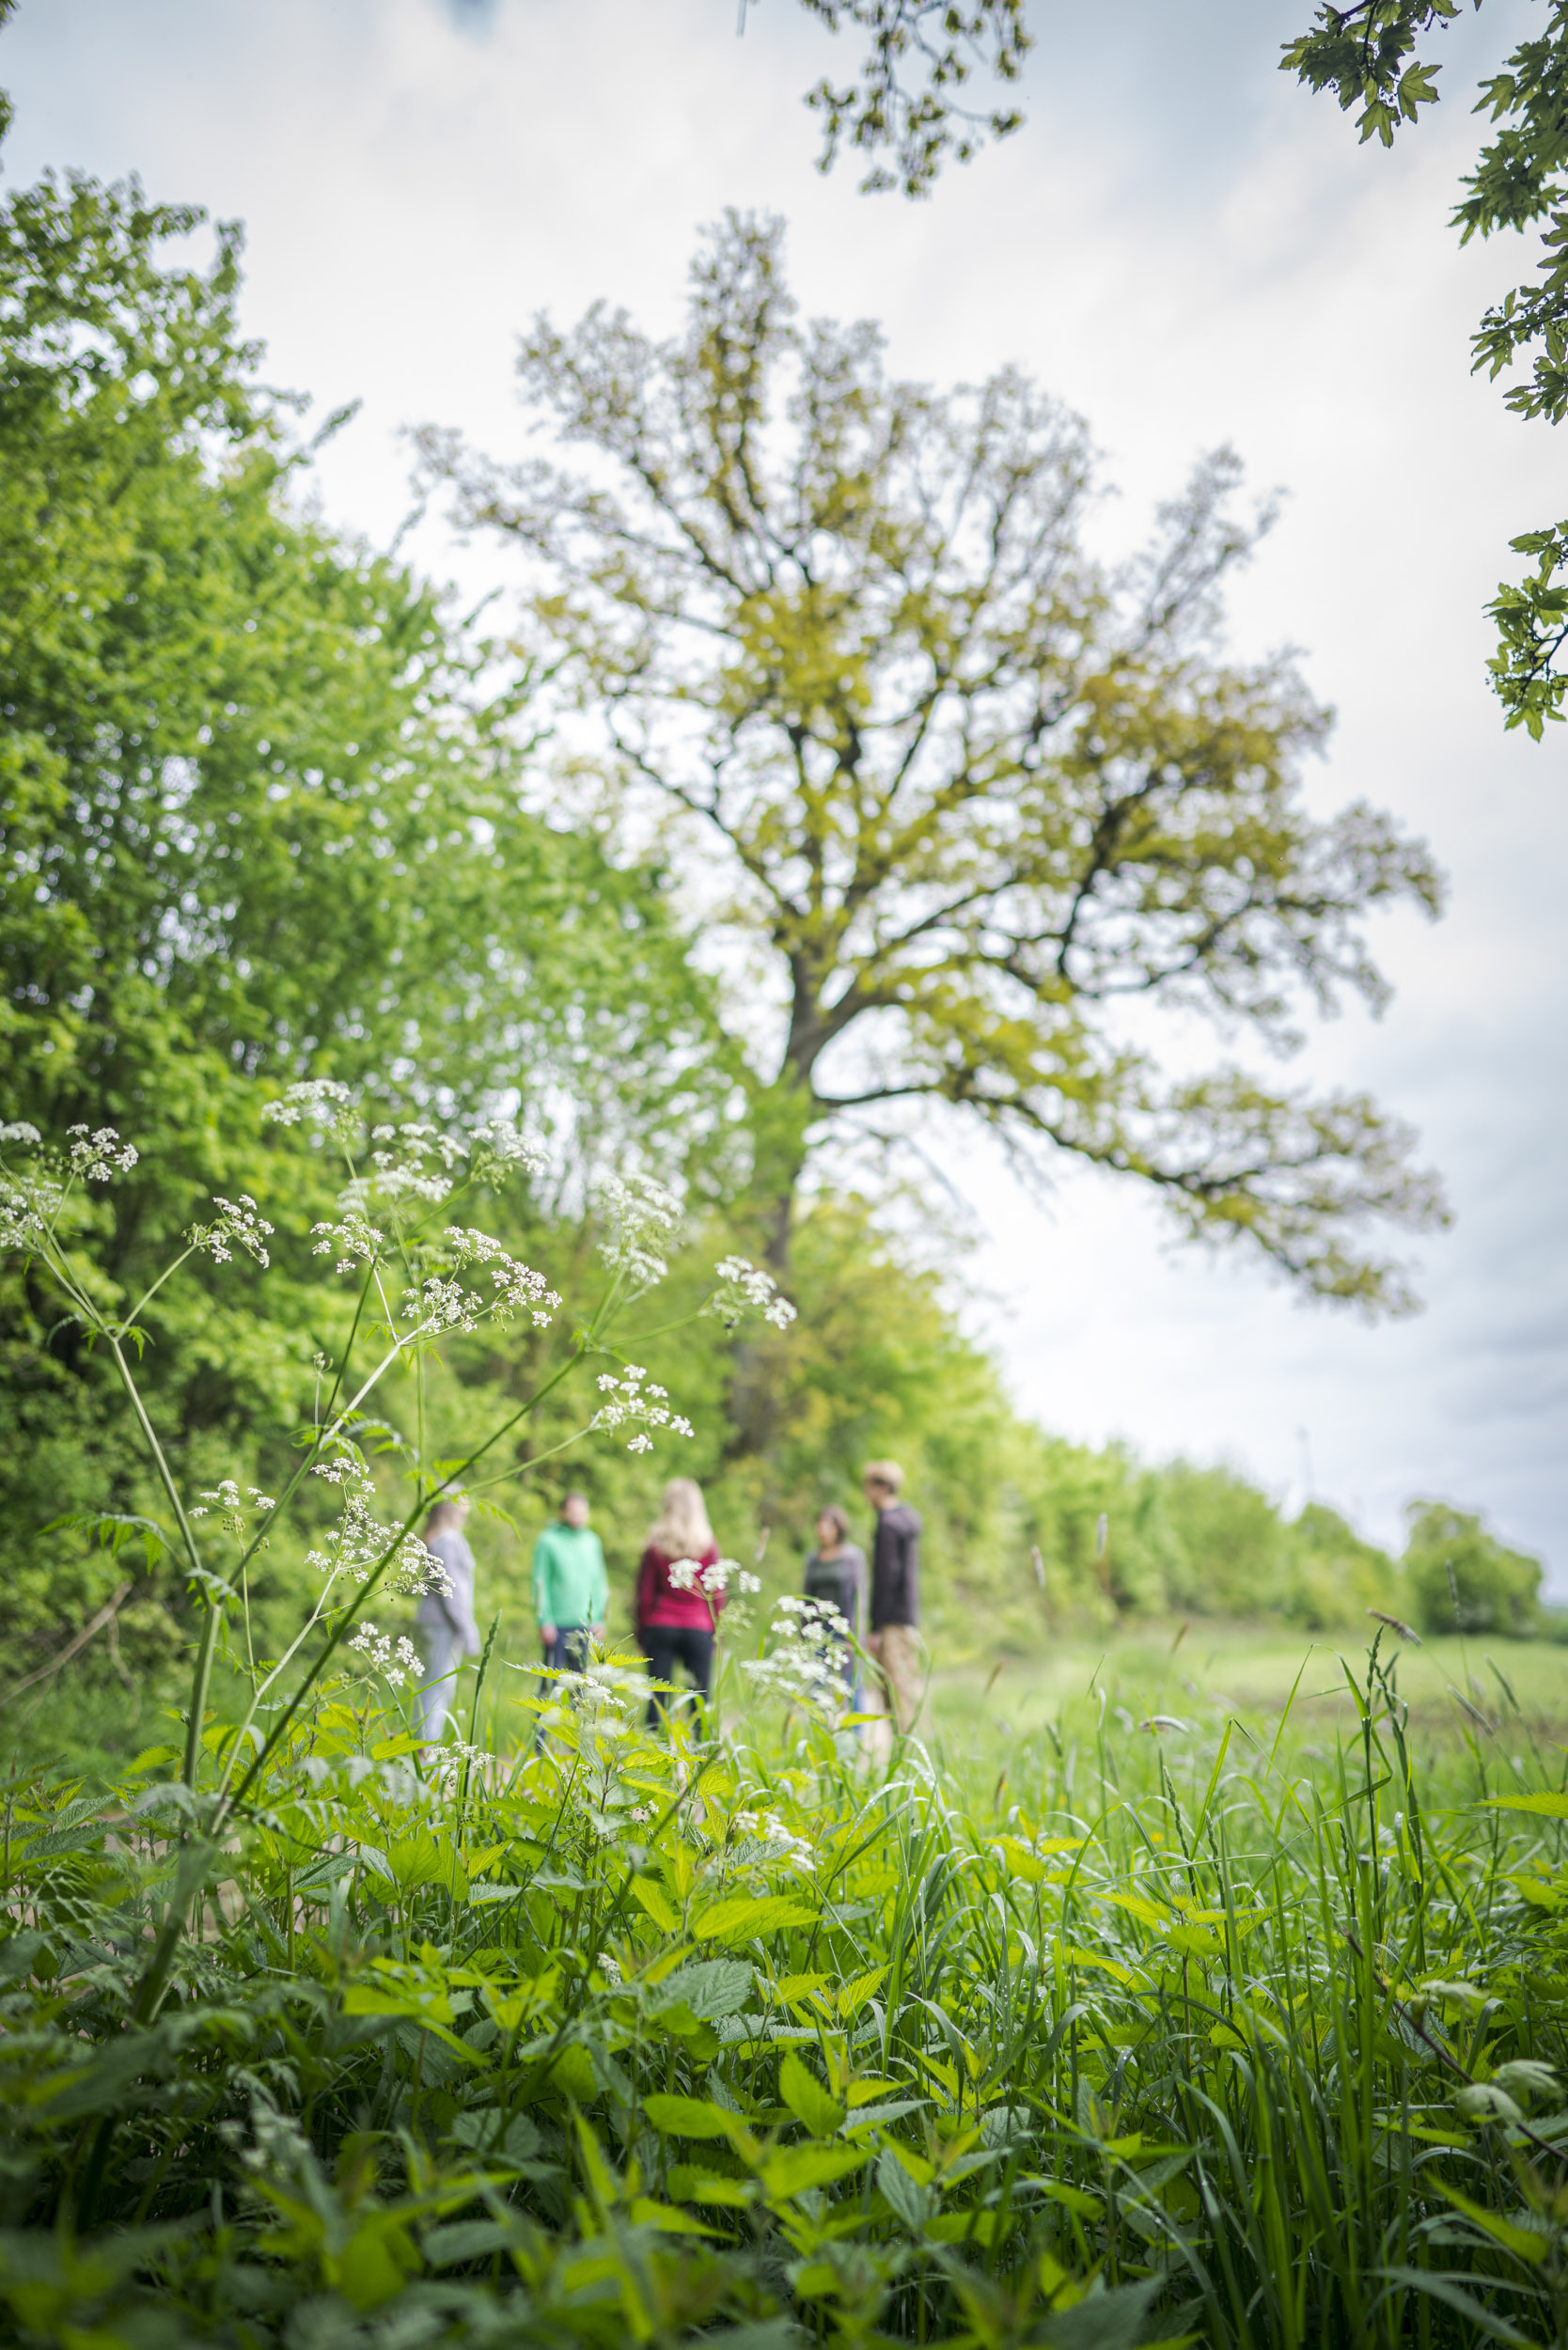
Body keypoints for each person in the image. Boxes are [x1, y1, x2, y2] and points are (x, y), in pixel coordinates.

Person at [635, 1476, 725, 1731]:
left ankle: (653, 1761)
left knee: (656, 1700)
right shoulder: (708, 1545)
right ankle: (699, 1761)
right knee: (700, 1701)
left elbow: (644, 1596)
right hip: (699, 1629)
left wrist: (643, 1634)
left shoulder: (656, 1545)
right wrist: (717, 1634)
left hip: (660, 1627)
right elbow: (716, 1593)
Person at [863, 1459, 922, 1741]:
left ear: (883, 1487)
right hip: (907, 1617)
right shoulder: (906, 1521)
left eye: (869, 1487)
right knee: (906, 1688)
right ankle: (908, 1749)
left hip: (890, 1622)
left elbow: (887, 1577)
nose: (866, 1494)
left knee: (896, 1691)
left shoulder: (887, 1524)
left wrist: (875, 1627)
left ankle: (905, 1752)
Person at [415, 1494, 480, 1744]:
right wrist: (468, 1632)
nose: (469, 1507)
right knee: (439, 1687)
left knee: (431, 1685)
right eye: (464, 1501)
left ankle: (422, 1749)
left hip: (435, 1624)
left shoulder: (438, 1538)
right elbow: (453, 1592)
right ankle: (426, 1752)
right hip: (444, 1625)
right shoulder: (449, 1541)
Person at [532, 1489, 609, 1693]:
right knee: (552, 1684)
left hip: (587, 1624)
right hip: (557, 1624)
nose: (578, 1516)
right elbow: (540, 1581)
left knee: (582, 1685)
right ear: (563, 1512)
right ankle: (543, 1725)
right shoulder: (548, 1540)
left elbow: (600, 1582)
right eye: (573, 1511)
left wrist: (601, 1618)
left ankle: (577, 1724)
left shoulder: (593, 1541)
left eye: (582, 1511)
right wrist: (544, 1619)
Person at [803, 1503, 866, 1704]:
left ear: (838, 1528)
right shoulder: (813, 1559)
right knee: (817, 1683)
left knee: (850, 1681)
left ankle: (855, 1732)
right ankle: (820, 1728)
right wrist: (804, 1631)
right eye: (819, 1525)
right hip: (817, 1628)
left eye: (827, 1525)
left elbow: (857, 1597)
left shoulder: (852, 1557)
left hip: (843, 1628)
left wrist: (853, 1634)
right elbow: (806, 1596)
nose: (822, 1529)